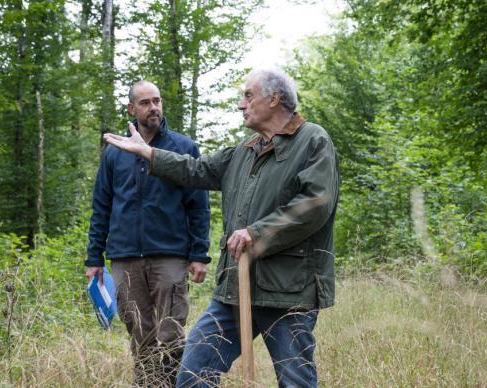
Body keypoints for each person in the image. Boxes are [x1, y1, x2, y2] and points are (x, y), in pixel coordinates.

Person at [103, 69, 340, 387]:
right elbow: (196, 170)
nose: (241, 105)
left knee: (295, 379)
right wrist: (148, 152)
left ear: (274, 99)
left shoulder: (312, 140)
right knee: (192, 375)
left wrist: (256, 232)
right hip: (234, 291)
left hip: (288, 291)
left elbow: (316, 202)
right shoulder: (245, 150)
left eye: (248, 96)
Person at [85, 80, 211, 387]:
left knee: (170, 333)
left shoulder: (183, 148)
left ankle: (171, 384)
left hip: (170, 255)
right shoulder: (114, 152)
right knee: (140, 335)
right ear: (131, 109)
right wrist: (94, 257)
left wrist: (199, 254)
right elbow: (101, 206)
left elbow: (198, 205)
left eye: (157, 100)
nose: (153, 107)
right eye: (145, 102)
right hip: (125, 258)